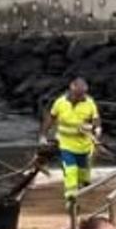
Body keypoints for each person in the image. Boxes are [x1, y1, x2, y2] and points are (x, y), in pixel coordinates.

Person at [40, 78, 101, 206]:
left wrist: (96, 129)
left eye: (82, 94)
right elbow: (51, 118)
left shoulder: (89, 103)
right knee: (70, 170)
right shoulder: (60, 103)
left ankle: (83, 181)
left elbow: (95, 119)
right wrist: (43, 135)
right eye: (78, 94)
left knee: (83, 171)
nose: (80, 97)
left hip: (84, 145)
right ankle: (71, 198)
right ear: (71, 90)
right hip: (65, 143)